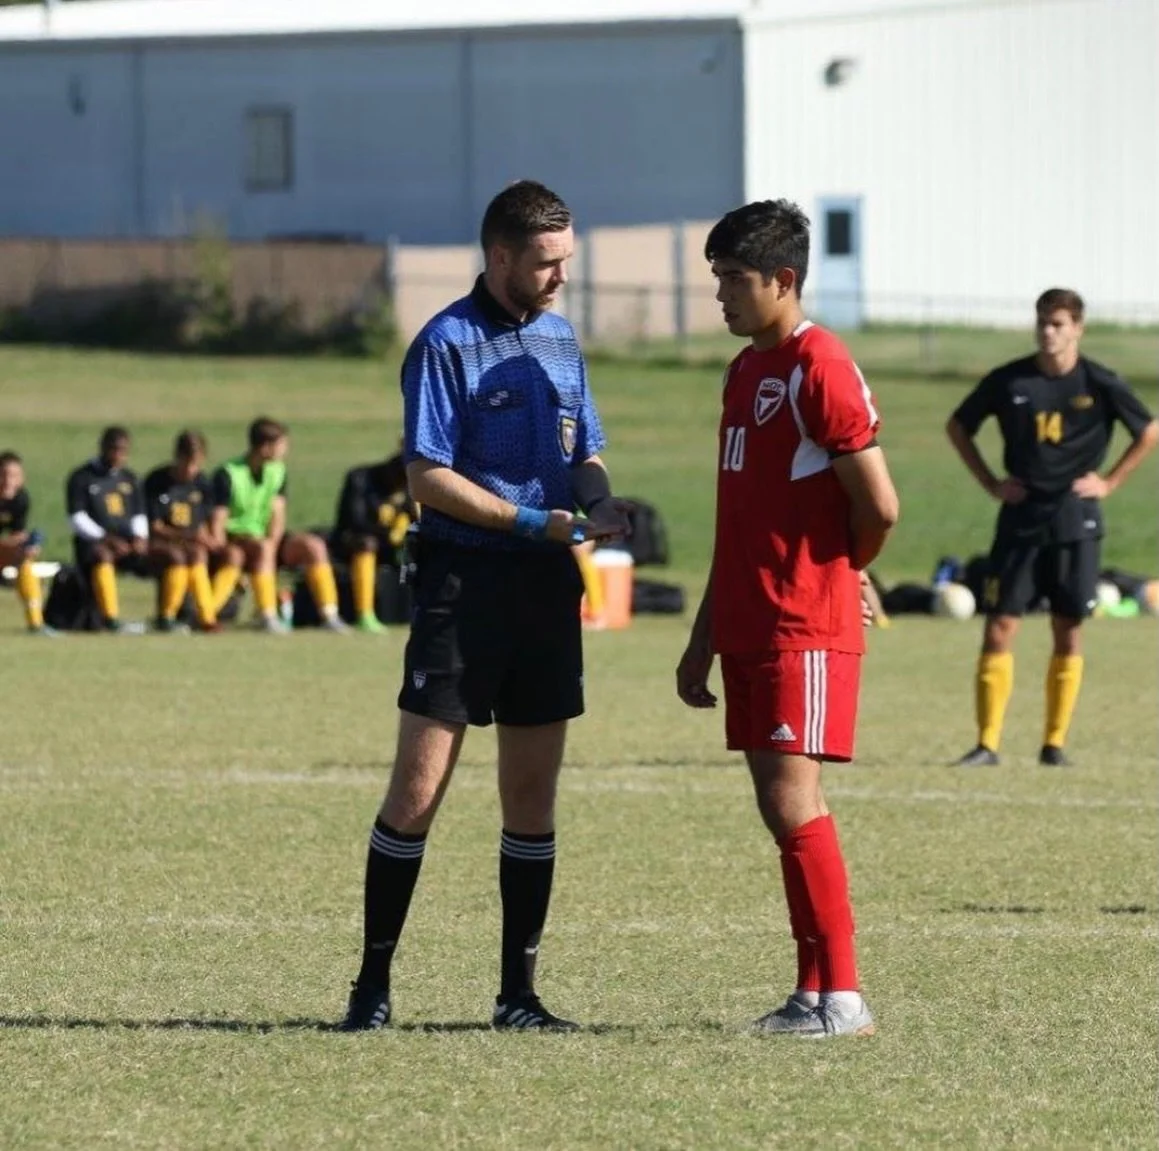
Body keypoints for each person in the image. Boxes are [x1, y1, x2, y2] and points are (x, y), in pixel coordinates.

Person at [339, 179, 628, 1032]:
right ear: (499, 256)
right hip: (462, 585)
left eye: (566, 260)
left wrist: (599, 501)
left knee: (531, 798)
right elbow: (426, 476)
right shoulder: (444, 344)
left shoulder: (561, 341)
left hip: (545, 586)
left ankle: (517, 996)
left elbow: (584, 450)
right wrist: (530, 520)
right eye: (545, 263)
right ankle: (371, 986)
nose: (560, 277)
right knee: (416, 793)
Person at [676, 200, 899, 1039]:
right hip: (747, 619)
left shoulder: (821, 366)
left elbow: (879, 505)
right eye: (716, 279)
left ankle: (843, 995)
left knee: (792, 801)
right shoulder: (742, 371)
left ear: (784, 278)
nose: (721, 296)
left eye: (734, 280)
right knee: (779, 806)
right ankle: (811, 991)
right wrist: (701, 635)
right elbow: (739, 520)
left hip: (799, 621)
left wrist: (845, 569)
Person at [946, 288, 1158, 767]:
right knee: (1000, 625)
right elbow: (958, 427)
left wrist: (1109, 482)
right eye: (1042, 322)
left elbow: (1148, 430)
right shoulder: (1010, 380)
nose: (1048, 332)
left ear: (1078, 328)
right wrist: (991, 483)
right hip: (1021, 518)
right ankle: (987, 744)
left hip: (1076, 520)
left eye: (1058, 324)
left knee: (1068, 627)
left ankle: (1054, 743)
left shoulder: (1099, 381)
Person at [209, 418, 348, 633]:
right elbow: (218, 518)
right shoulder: (228, 474)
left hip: (265, 539)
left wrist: (273, 545)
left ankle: (329, 614)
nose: (285, 450)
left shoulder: (277, 471)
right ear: (265, 447)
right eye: (282, 444)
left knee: (313, 546)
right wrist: (223, 551)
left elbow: (278, 513)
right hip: (237, 539)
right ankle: (267, 615)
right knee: (263, 548)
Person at [65, 426, 150, 633]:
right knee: (103, 556)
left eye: (123, 451)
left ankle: (171, 617)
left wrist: (140, 537)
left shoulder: (130, 478)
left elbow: (139, 514)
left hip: (127, 540)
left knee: (176, 556)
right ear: (103, 447)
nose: (118, 455)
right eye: (114, 449)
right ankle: (110, 618)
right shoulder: (82, 477)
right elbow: (77, 518)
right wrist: (105, 538)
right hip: (94, 542)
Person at [331, 439, 416, 633]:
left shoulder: (411, 488)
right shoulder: (361, 479)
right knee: (367, 543)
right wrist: (388, 534)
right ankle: (364, 614)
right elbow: (354, 521)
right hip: (353, 541)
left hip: (392, 546)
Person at [143, 430, 222, 633]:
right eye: (186, 463)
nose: (190, 469)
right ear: (176, 456)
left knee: (199, 554)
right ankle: (166, 616)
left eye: (195, 464)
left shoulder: (202, 483)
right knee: (177, 556)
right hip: (160, 542)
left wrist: (210, 540)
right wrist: (188, 536)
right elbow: (155, 527)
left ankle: (207, 617)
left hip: (191, 544)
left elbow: (203, 521)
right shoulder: (156, 481)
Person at [0, 451, 54, 635]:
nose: (8, 481)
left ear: (22, 479)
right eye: (4, 475)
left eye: (14, 476)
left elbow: (17, 534)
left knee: (24, 560)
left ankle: (36, 623)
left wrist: (28, 545)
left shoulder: (21, 499)